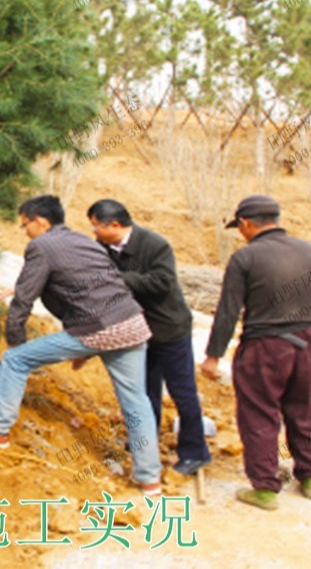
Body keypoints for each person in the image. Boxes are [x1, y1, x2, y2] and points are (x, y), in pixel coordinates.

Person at [0, 195, 164, 495]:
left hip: (99, 328)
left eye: (25, 224)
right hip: (130, 323)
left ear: (39, 221)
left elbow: (24, 299)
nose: (24, 230)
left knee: (15, 361)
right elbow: (91, 289)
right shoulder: (84, 242)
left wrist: (15, 341)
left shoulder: (41, 246)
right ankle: (149, 478)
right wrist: (87, 347)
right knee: (136, 401)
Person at [200, 195, 311, 510]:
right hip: (309, 343)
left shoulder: (245, 258)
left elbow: (228, 311)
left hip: (264, 347)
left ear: (247, 224)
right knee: (306, 409)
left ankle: (264, 489)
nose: (241, 233)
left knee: (259, 414)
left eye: (240, 228)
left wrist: (213, 356)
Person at [87, 199, 212, 476]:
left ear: (115, 225)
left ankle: (194, 452)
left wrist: (119, 278)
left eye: (97, 227)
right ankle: (144, 441)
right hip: (135, 331)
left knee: (183, 392)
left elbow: (162, 282)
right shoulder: (102, 249)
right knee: (144, 392)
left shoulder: (154, 244)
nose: (94, 233)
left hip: (169, 329)